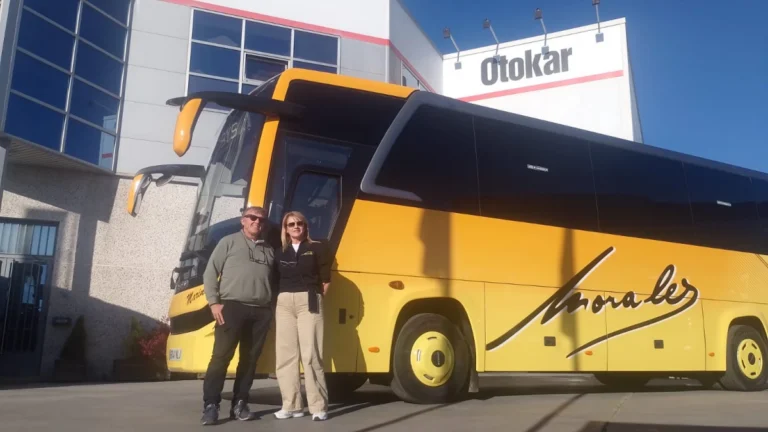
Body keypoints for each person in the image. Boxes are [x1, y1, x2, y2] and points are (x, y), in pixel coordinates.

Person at [200, 206, 276, 426]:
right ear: (243, 220)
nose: (257, 222)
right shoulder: (228, 241)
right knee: (221, 357)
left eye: (261, 220)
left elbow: (273, 281)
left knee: (250, 360)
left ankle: (240, 403)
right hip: (231, 308)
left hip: (261, 311)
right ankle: (211, 405)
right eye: (252, 218)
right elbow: (210, 272)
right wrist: (214, 302)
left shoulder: (269, 249)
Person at [273, 211, 331, 421]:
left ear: (305, 227)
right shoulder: (279, 252)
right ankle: (292, 405)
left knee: (311, 354)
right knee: (285, 355)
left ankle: (318, 407)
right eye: (291, 224)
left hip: (309, 299)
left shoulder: (317, 247)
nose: (295, 227)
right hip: (284, 302)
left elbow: (326, 279)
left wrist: (315, 295)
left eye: (299, 223)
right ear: (286, 229)